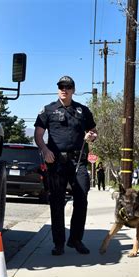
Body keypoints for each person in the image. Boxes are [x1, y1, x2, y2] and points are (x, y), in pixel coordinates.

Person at [34, 75, 97, 256]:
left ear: (73, 90)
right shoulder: (48, 110)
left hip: (78, 162)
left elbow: (93, 131)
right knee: (56, 201)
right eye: (61, 86)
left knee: (82, 199)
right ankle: (59, 243)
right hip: (56, 163)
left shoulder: (83, 110)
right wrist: (45, 150)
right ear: (58, 89)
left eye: (68, 87)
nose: (64, 89)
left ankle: (76, 239)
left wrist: (91, 135)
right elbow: (38, 135)